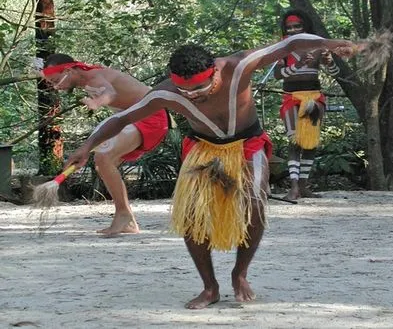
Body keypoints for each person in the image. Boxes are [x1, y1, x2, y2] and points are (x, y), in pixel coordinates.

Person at [64, 35, 358, 309]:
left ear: (215, 72)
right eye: (186, 90)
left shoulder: (238, 67)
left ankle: (240, 274)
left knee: (254, 204)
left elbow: (291, 42)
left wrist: (333, 43)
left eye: (200, 88)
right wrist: (87, 146)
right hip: (203, 149)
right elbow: (121, 119)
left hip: (247, 144)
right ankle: (209, 287)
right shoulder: (165, 93)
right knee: (191, 217)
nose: (193, 95)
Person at [41, 54, 169, 235]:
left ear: (68, 70)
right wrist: (84, 150)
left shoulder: (94, 76)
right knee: (104, 162)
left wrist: (96, 102)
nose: (56, 87)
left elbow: (111, 93)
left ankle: (125, 217)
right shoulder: (87, 78)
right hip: (129, 118)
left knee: (104, 156)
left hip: (150, 117)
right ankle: (125, 217)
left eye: (56, 80)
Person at [274, 9, 341, 201]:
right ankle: (293, 188)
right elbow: (277, 75)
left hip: (314, 97)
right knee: (295, 141)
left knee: (310, 144)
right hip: (291, 97)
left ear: (305, 26)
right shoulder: (283, 49)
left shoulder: (318, 46)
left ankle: (303, 186)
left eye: (297, 26)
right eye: (289, 27)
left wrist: (329, 63)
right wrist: (297, 64)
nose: (293, 30)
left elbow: (335, 73)